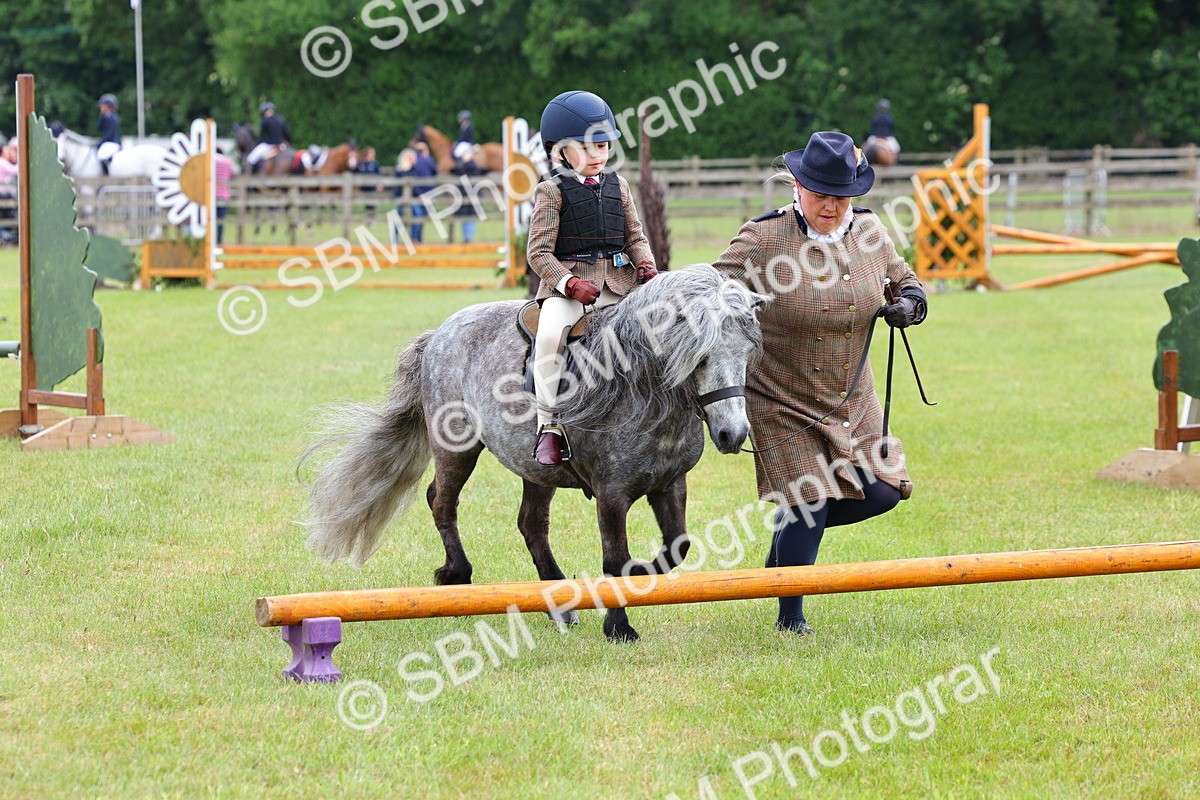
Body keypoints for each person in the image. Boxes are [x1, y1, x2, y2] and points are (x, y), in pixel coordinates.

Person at [713, 131, 927, 634]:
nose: (831, 205)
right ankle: (791, 617)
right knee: (810, 498)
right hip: (780, 395)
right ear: (797, 186)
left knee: (884, 492)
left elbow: (907, 280)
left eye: (841, 195)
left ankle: (788, 538)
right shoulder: (762, 238)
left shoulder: (871, 233)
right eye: (820, 194)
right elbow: (710, 293)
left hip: (853, 396)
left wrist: (910, 305)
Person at [526, 90, 659, 466]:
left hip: (620, 286)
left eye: (602, 146)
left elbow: (635, 236)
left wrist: (646, 264)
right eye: (586, 148)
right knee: (550, 336)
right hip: (569, 292)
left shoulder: (619, 186)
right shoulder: (550, 191)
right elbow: (538, 253)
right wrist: (568, 283)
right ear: (560, 152)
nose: (597, 155)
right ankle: (548, 426)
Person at [395, 143, 437, 243]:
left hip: (413, 198)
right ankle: (397, 239)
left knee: (417, 216)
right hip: (404, 199)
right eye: (413, 158)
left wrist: (419, 194)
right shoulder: (402, 171)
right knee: (400, 218)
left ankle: (415, 239)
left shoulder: (412, 170)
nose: (415, 159)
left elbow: (415, 186)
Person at [246, 102, 291, 172]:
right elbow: (287, 133)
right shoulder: (281, 119)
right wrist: (288, 142)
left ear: (264, 112)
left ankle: (250, 174)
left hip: (269, 145)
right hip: (281, 145)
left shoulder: (264, 121)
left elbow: (262, 136)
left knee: (251, 158)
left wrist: (259, 143)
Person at [214, 147, 235, 245]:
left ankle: (211, 239)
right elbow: (232, 175)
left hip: (211, 195)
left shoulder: (209, 162)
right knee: (221, 219)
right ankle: (219, 240)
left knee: (210, 219)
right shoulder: (227, 162)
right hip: (223, 194)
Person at [96, 94, 121, 175]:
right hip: (107, 142)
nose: (101, 107)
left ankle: (106, 173)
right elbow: (98, 127)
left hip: (112, 142)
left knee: (101, 156)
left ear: (108, 106)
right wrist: (102, 117)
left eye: (103, 106)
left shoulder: (114, 119)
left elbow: (110, 134)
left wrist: (101, 142)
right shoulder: (105, 117)